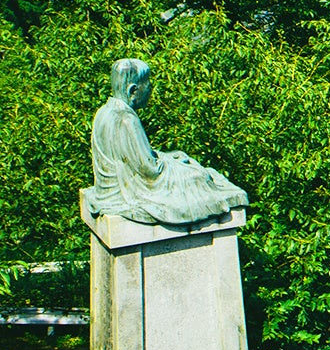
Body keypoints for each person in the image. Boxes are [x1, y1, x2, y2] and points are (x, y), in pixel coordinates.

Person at [85, 58, 248, 225]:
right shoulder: (126, 119)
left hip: (110, 187)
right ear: (133, 90)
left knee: (189, 165)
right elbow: (150, 170)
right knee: (199, 176)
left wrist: (166, 156)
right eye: (147, 84)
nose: (150, 89)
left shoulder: (104, 111)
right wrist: (173, 163)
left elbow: (134, 158)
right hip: (128, 191)